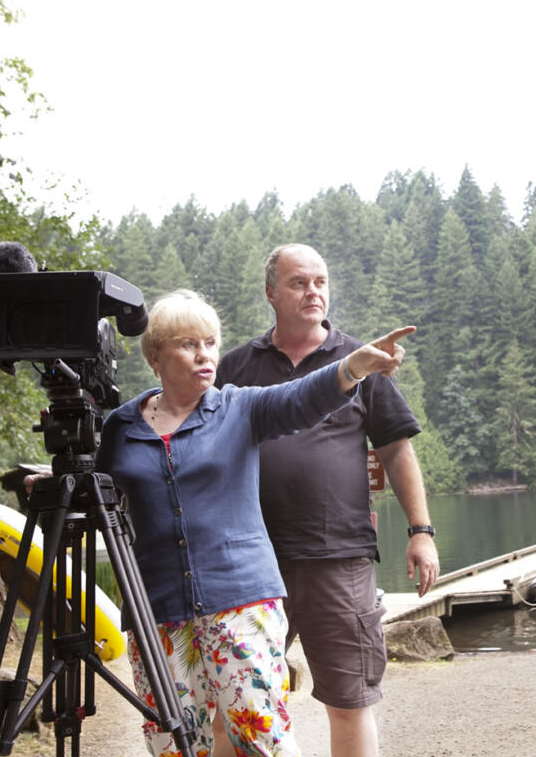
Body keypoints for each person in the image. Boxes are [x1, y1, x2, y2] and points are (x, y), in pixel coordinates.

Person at [36, 289, 414, 757]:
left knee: (260, 738)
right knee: (173, 744)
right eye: (188, 344)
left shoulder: (240, 407)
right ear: (157, 355)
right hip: (157, 608)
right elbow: (101, 493)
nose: (205, 355)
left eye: (211, 343)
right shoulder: (121, 426)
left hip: (242, 601)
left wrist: (351, 367)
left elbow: (301, 398)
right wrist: (61, 481)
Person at [214, 244, 440, 757]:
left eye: (320, 281)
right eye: (298, 282)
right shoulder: (236, 368)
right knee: (234, 700)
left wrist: (421, 532)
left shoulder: (358, 361)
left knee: (349, 701)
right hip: (251, 561)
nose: (313, 291)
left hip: (338, 558)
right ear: (271, 292)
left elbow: (398, 452)